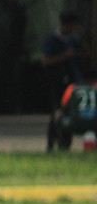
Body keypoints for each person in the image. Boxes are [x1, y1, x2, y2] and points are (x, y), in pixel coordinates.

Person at [42, 11, 86, 151]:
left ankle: (64, 145)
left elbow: (84, 55)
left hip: (72, 82)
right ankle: (51, 142)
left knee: (70, 113)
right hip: (57, 81)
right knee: (57, 112)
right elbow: (45, 60)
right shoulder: (52, 40)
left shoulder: (74, 41)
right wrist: (65, 56)